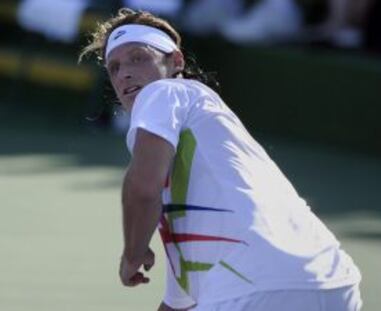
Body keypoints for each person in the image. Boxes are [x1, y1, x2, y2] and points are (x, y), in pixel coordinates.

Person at [80, 8, 362, 311]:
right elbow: (180, 303)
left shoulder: (162, 93)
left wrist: (132, 256)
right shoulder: (208, 143)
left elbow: (141, 190)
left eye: (138, 57)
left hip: (258, 291)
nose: (124, 73)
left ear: (176, 62)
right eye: (114, 67)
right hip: (334, 282)